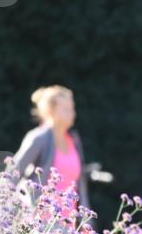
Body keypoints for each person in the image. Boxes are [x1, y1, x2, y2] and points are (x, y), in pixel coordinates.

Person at [12, 85, 91, 216]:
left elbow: (80, 187)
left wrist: (85, 222)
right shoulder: (38, 138)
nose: (72, 113)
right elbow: (12, 173)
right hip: (37, 224)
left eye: (72, 108)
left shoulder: (74, 140)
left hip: (66, 227)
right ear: (50, 111)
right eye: (66, 109)